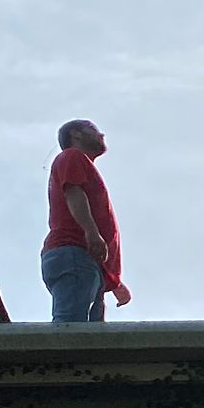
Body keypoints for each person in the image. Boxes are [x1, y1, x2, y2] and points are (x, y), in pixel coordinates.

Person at [41, 119, 130, 322]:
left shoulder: (79, 162)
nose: (101, 135)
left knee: (89, 333)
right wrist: (91, 232)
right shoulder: (72, 156)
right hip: (75, 254)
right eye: (93, 129)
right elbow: (74, 192)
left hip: (85, 260)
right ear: (76, 134)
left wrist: (113, 281)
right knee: (72, 328)